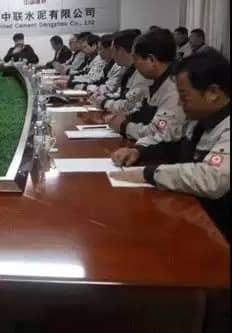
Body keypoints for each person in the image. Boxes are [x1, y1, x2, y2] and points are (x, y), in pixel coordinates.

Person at [109, 50, 230, 240]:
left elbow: (212, 178)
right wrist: (139, 152)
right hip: (192, 212)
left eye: (184, 97)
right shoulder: (200, 118)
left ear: (213, 93)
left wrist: (150, 174)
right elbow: (177, 146)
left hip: (218, 230)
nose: (180, 104)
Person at [106, 29, 185, 141]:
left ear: (151, 60)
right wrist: (127, 117)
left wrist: (124, 126)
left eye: (136, 59)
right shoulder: (155, 81)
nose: (134, 64)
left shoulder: (174, 88)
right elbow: (142, 111)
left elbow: (160, 132)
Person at [89, 29, 152, 114]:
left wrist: (104, 102)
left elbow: (129, 106)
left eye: (113, 50)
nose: (112, 55)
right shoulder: (127, 69)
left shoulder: (142, 74)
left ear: (121, 51)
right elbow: (123, 96)